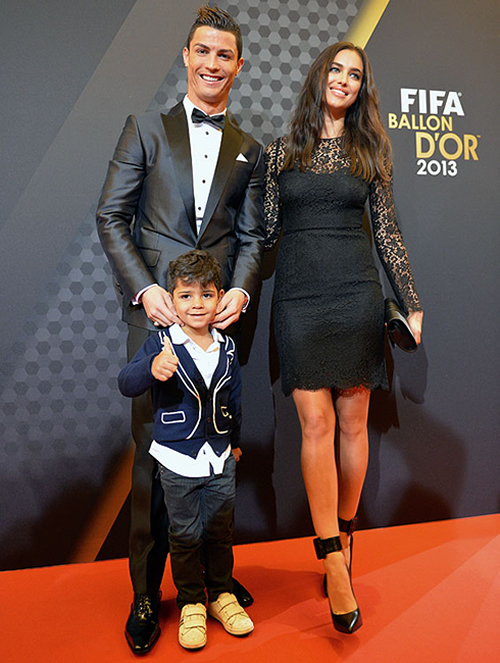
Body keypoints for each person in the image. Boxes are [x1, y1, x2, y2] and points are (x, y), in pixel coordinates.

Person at [96, 5, 264, 654]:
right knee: (152, 461)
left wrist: (243, 288)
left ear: (239, 65)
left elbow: (251, 236)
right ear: (187, 56)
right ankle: (146, 592)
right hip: (156, 321)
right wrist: (146, 289)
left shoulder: (251, 148)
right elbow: (112, 217)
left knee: (216, 455)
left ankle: (210, 578)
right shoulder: (143, 127)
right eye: (203, 52)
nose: (212, 64)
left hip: (218, 324)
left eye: (225, 55)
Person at [264, 42, 423, 634]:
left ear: (362, 88)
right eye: (337, 69)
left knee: (353, 425)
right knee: (315, 425)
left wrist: (410, 300)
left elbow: (387, 231)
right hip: (300, 298)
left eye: (356, 75)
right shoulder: (282, 153)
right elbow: (268, 231)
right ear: (320, 76)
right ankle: (331, 556)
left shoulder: (368, 151)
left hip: (355, 294)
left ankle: (345, 533)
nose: (345, 81)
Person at [117, 250, 254, 650]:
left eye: (206, 295)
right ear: (171, 300)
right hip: (177, 461)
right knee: (184, 534)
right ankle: (192, 600)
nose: (197, 304)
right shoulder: (162, 343)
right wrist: (151, 368)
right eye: (186, 296)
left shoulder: (226, 348)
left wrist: (236, 443)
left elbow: (236, 400)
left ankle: (222, 593)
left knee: (220, 530)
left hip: (220, 458)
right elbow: (127, 382)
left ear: (220, 298)